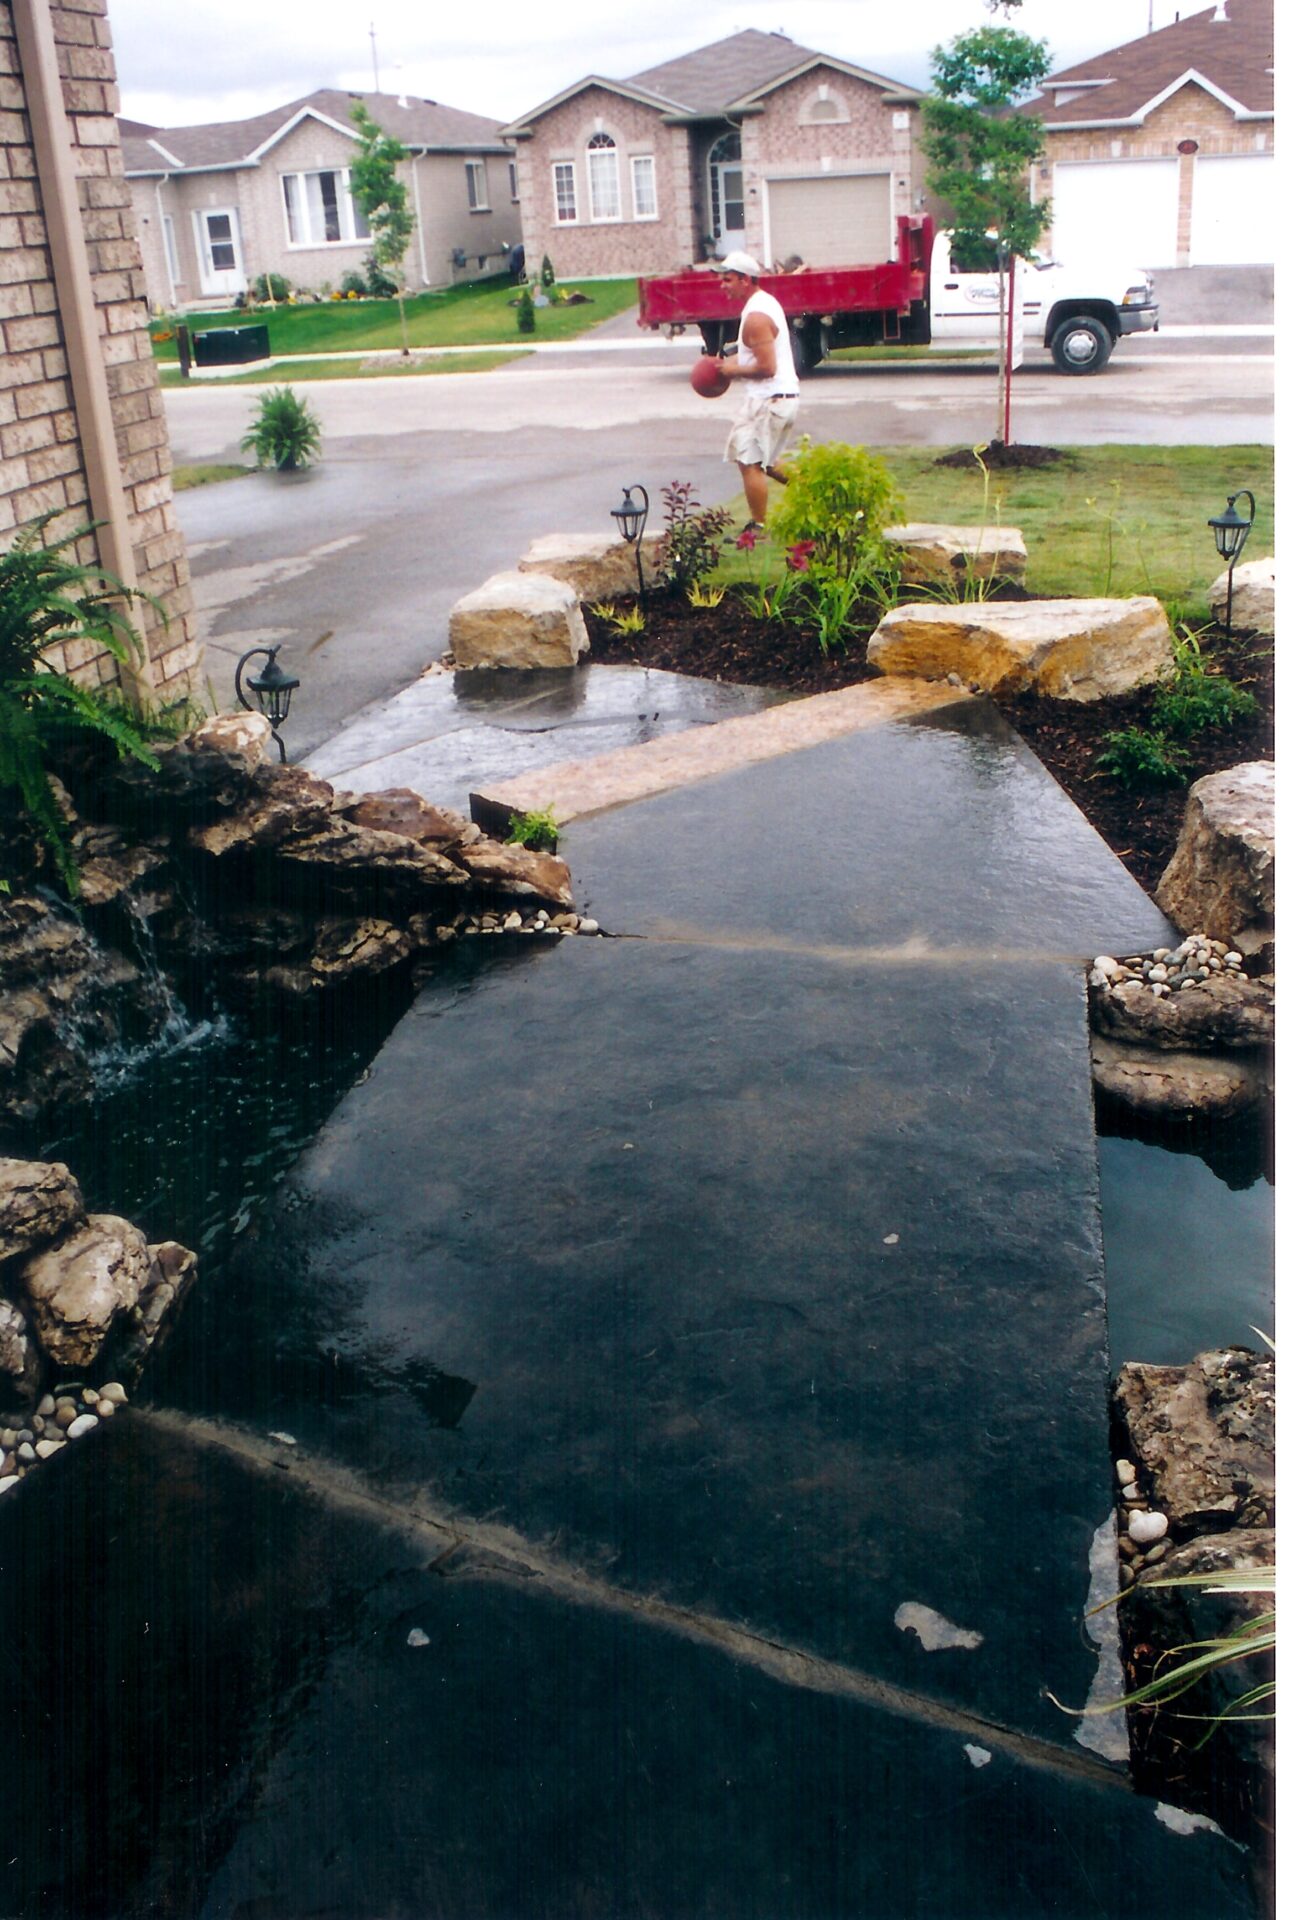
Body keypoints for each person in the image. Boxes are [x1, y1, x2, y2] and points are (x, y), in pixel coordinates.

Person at [708, 250, 800, 542]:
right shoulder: (762, 304)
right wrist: (734, 360)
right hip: (779, 397)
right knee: (768, 462)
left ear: (746, 280)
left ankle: (758, 529)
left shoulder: (756, 317)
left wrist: (729, 371)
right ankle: (821, 492)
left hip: (769, 399)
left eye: (728, 279)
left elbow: (766, 367)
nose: (723, 285)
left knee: (749, 462)